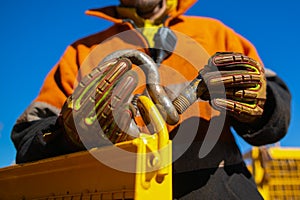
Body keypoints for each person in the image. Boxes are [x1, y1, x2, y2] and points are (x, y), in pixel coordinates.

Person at [11, 0, 291, 199]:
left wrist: (263, 104)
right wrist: (67, 135)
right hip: (115, 192)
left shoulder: (214, 34)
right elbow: (29, 133)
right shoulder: (81, 52)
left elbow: (276, 108)